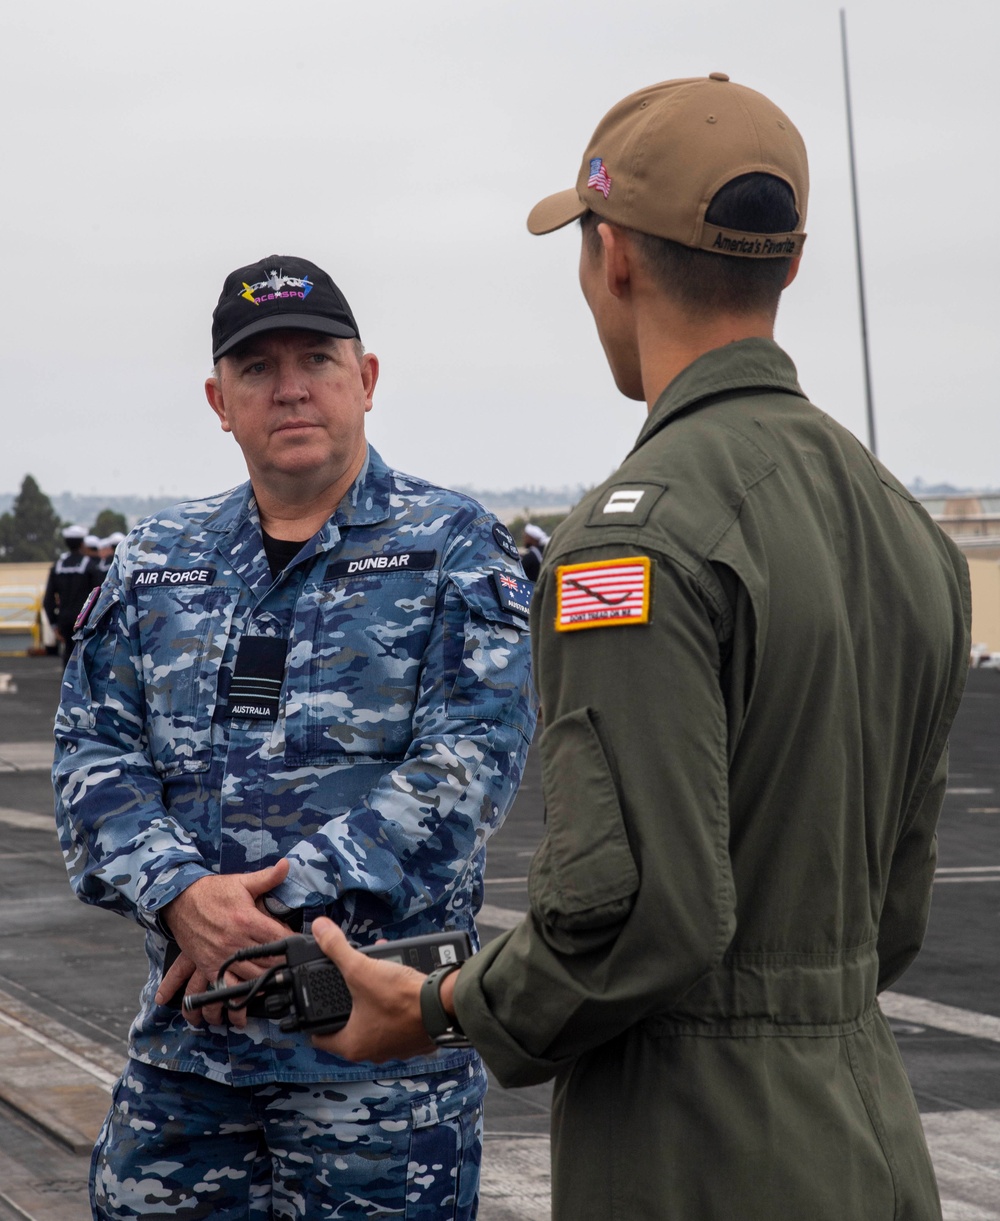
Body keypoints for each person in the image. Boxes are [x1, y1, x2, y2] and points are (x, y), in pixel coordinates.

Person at [307, 74, 971, 1220]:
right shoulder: (907, 530)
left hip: (695, 1152)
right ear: (790, 265)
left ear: (611, 256)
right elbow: (893, 914)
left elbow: (639, 915)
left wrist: (436, 1005)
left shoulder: (635, 542)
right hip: (866, 1128)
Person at [52, 254, 537, 1220]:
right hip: (190, 1063)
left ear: (366, 378)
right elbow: (91, 758)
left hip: (380, 1068)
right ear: (217, 399)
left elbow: (467, 765)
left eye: (315, 357)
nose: (290, 388)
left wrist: (257, 921)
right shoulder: (158, 561)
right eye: (256, 368)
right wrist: (181, 893)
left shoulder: (453, 546)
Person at [42, 524, 101, 665]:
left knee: (68, 656)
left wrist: (54, 624)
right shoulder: (90, 566)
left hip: (65, 621)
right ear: (82, 543)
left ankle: (67, 685)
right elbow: (99, 593)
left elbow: (48, 600)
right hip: (86, 619)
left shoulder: (57, 566)